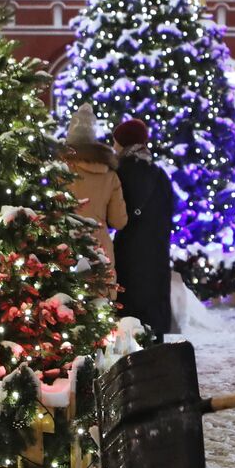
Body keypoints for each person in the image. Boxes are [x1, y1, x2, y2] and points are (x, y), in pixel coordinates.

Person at [112, 117, 174, 342]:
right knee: (151, 327)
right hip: (156, 259)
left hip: (128, 258)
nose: (113, 147)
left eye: (116, 142)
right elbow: (169, 214)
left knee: (128, 324)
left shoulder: (119, 173)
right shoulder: (159, 175)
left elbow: (115, 217)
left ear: (124, 144)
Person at [61, 104, 127, 296]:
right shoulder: (109, 174)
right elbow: (119, 221)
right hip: (99, 248)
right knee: (99, 305)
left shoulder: (59, 170)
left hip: (65, 244)